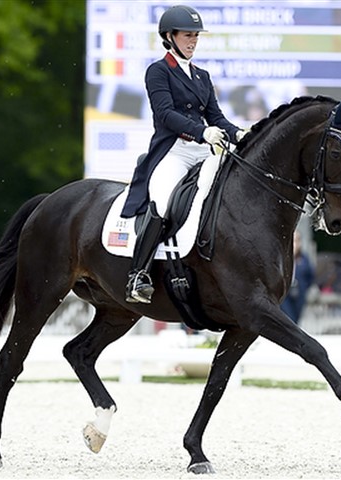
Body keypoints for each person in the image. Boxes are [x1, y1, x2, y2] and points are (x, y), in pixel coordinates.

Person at [119, 5, 248, 304]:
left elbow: (217, 118)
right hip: (173, 150)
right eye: (188, 35)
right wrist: (202, 132)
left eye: (196, 37)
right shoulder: (158, 71)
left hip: (203, 151)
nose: (193, 41)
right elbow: (165, 115)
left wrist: (240, 134)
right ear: (170, 36)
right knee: (163, 201)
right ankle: (138, 274)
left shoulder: (202, 76)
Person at [281, 231, 315, 325]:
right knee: (288, 318)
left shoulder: (304, 259)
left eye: (297, 241)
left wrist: (303, 287)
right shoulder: (282, 258)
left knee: (296, 319)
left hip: (299, 293)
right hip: (285, 295)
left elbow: (310, 276)